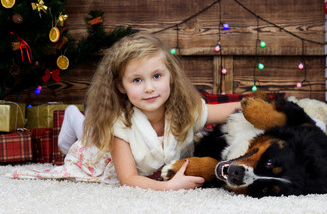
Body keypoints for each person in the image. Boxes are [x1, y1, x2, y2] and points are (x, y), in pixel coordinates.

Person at [51, 33, 241, 190]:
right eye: (137, 80)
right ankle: (73, 116)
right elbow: (129, 179)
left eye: (157, 76)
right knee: (90, 137)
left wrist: (261, 108)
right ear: (121, 86)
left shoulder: (186, 110)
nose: (149, 88)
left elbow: (230, 110)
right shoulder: (118, 124)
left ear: (171, 76)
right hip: (104, 155)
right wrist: (169, 187)